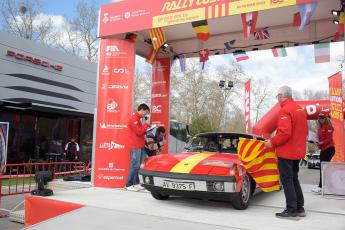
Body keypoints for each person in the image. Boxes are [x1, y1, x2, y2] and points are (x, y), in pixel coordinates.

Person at [264, 86, 308, 220]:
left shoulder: (285, 110)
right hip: (297, 151)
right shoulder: (300, 109)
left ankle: (291, 209)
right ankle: (299, 207)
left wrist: (271, 142)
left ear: (282, 96)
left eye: (277, 96)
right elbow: (304, 131)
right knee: (294, 179)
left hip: (286, 152)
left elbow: (284, 133)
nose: (277, 99)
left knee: (287, 180)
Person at [126, 103, 150, 191]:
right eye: (145, 112)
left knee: (138, 166)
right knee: (135, 165)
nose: (145, 114)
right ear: (142, 110)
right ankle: (128, 184)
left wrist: (147, 128)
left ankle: (135, 183)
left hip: (139, 145)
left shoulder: (138, 119)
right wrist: (146, 125)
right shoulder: (133, 119)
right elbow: (139, 132)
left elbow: (141, 132)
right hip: (135, 145)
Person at [311, 113, 335, 194]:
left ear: (326, 118)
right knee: (323, 168)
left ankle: (321, 187)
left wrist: (320, 143)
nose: (321, 119)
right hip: (324, 149)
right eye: (320, 118)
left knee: (323, 168)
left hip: (329, 149)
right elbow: (320, 140)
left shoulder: (329, 127)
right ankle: (325, 186)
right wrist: (316, 143)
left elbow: (329, 139)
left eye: (322, 118)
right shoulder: (320, 128)